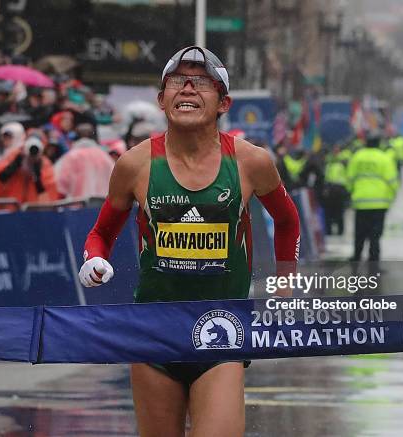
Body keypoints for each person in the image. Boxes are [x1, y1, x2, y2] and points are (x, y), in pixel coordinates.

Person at [78, 46, 300, 437]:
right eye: (177, 81)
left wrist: (286, 279)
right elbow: (101, 233)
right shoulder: (134, 164)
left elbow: (287, 221)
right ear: (162, 99)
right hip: (153, 333)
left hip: (222, 329)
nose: (188, 89)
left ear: (223, 102)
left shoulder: (250, 162)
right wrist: (94, 260)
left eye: (201, 82)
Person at [347, 133, 398, 262]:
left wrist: (352, 193)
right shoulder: (384, 158)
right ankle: (374, 263)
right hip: (379, 204)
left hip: (360, 203)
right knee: (375, 235)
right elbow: (393, 182)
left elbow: (349, 179)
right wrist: (391, 198)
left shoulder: (357, 157)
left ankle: (356, 258)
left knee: (359, 234)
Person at [54, 123, 115, 199]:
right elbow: (115, 180)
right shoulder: (105, 156)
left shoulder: (70, 157)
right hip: (102, 204)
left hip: (77, 205)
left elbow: (61, 185)